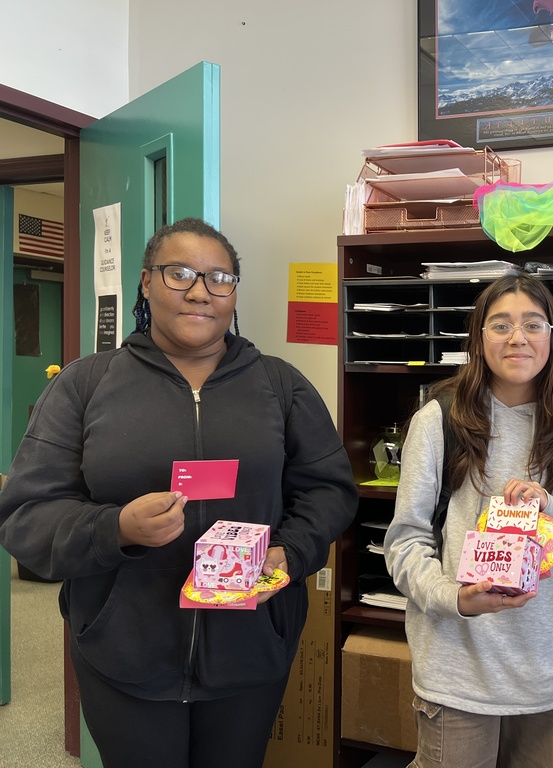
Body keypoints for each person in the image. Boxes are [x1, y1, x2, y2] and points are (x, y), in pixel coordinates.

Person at [0, 217, 357, 768]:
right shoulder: (84, 384)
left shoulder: (280, 386)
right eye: (180, 273)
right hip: (123, 649)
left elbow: (329, 492)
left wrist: (286, 557)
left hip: (251, 643)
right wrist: (115, 528)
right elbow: (26, 514)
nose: (199, 291)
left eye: (220, 277)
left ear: (234, 291)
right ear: (146, 282)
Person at [384, 272, 553, 768]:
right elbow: (406, 541)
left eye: (532, 324)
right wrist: (453, 597)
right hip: (457, 666)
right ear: (479, 339)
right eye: (500, 325)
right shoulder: (438, 419)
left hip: (551, 672)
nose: (517, 338)